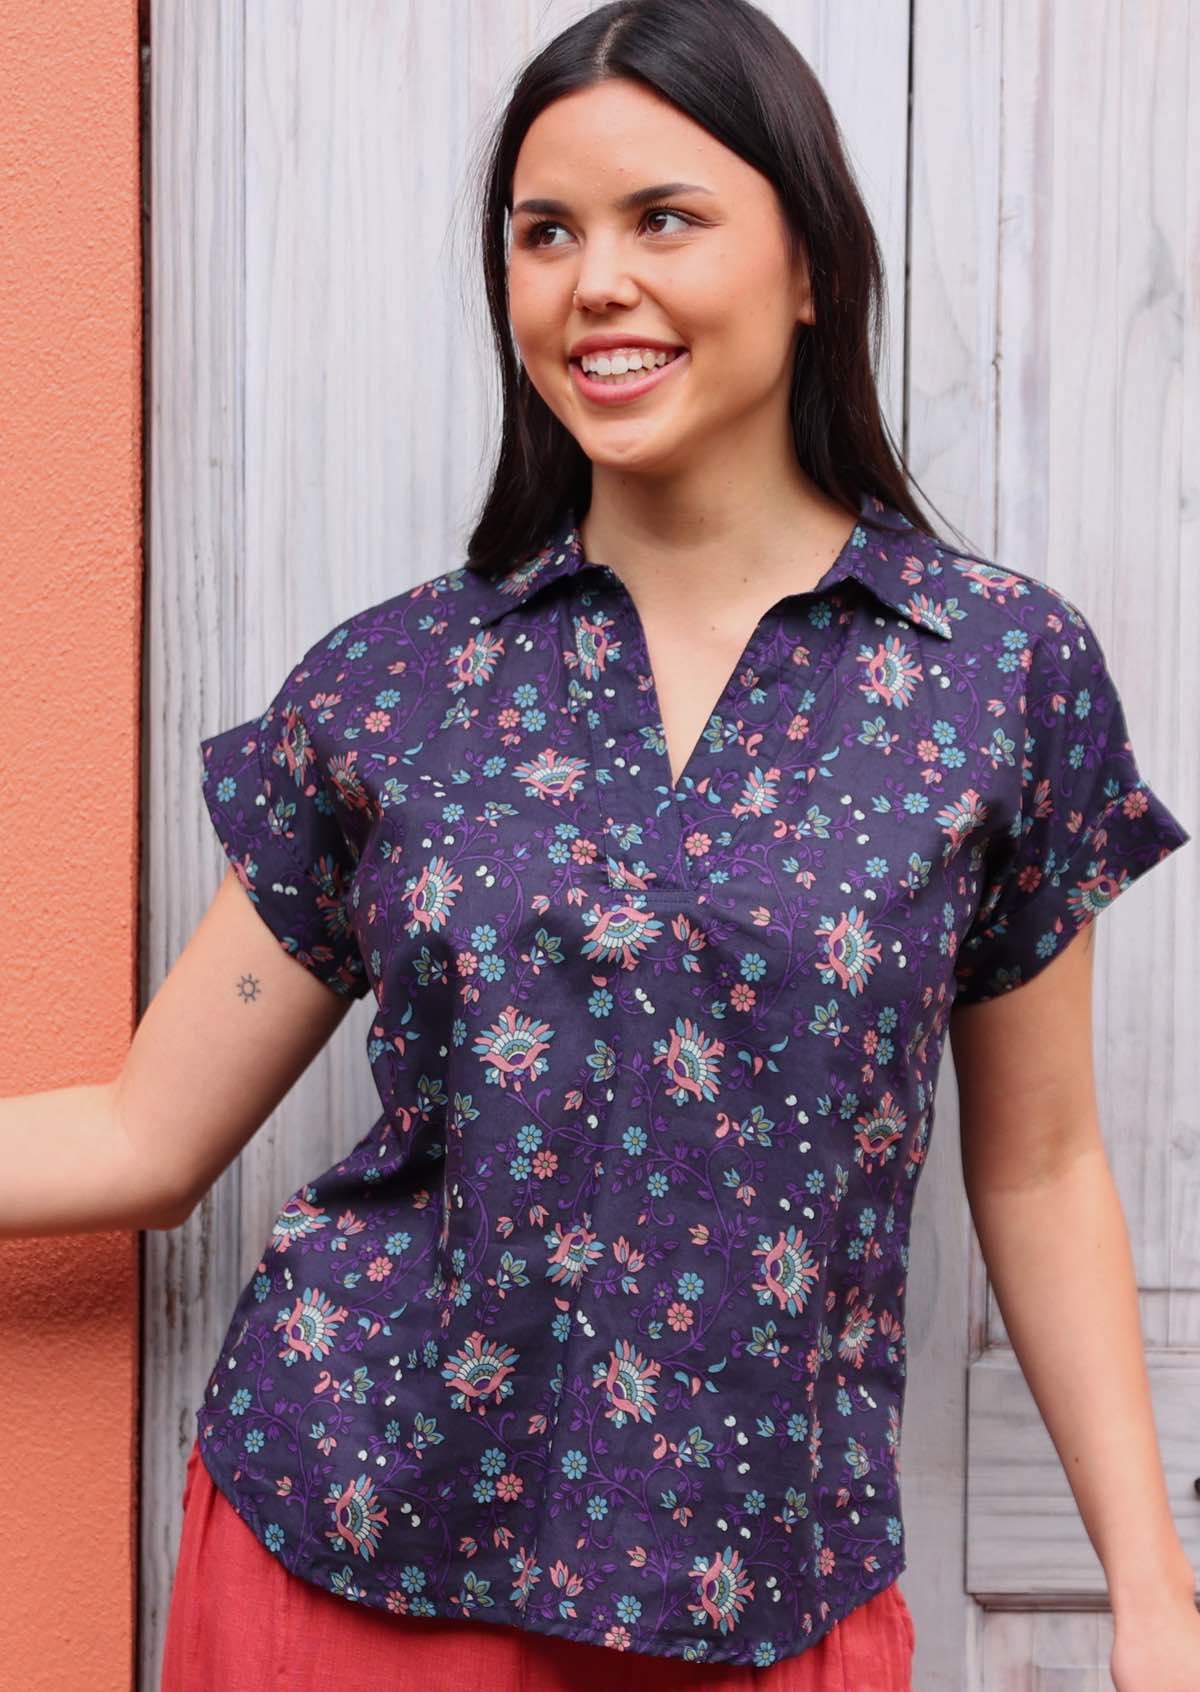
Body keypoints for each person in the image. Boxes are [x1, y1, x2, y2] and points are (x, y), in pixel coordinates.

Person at [5, 1, 1194, 1688]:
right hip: (354, 1560)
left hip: (765, 1588)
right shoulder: (396, 683)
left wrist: (1151, 1593)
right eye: (544, 233)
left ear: (808, 266)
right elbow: (146, 1133)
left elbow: (1046, 1167)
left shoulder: (996, 679)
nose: (592, 284)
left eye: (665, 220)